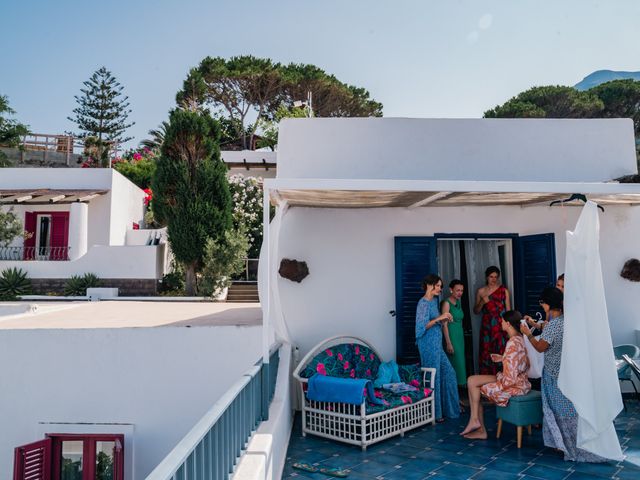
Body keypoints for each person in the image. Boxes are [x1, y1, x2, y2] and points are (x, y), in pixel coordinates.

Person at [520, 287, 606, 462]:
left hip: (554, 374)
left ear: (548, 303)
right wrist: (537, 325)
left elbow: (540, 347)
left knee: (558, 410)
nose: (541, 305)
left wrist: (528, 335)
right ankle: (566, 443)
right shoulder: (567, 321)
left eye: (542, 302)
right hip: (567, 372)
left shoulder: (553, 325)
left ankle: (566, 445)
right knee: (568, 409)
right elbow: (549, 331)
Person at [460, 310, 531, 439]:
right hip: (520, 381)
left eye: (503, 321)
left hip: (513, 385)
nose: (501, 323)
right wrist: (503, 358)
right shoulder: (519, 339)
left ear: (508, 324)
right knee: (471, 380)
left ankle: (479, 427)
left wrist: (498, 382)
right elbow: (519, 363)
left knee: (474, 385)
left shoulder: (512, 343)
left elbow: (510, 378)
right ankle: (475, 420)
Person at [415, 274, 460, 422]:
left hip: (436, 344)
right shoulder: (422, 303)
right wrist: (440, 318)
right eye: (438, 286)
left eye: (441, 286)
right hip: (427, 344)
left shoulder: (434, 301)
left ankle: (450, 409)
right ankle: (435, 414)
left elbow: (435, 322)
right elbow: (421, 327)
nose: (440, 289)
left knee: (449, 373)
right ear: (430, 285)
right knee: (434, 377)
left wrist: (444, 319)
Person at [474, 266, 512, 374]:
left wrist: (510, 329)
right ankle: (487, 380)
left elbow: (509, 311)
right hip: (487, 326)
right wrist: (482, 302)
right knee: (487, 352)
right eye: (491, 277)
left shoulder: (504, 290)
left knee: (501, 350)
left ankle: (502, 378)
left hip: (501, 326)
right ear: (487, 277)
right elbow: (476, 311)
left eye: (496, 277)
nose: (494, 279)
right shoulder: (481, 291)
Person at [441, 280, 467, 386]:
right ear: (451, 290)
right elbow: (444, 325)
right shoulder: (446, 303)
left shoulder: (458, 302)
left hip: (459, 336)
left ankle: (458, 392)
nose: (460, 293)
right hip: (451, 336)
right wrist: (448, 343)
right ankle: (453, 392)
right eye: (457, 290)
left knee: (460, 362)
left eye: (462, 290)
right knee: (455, 363)